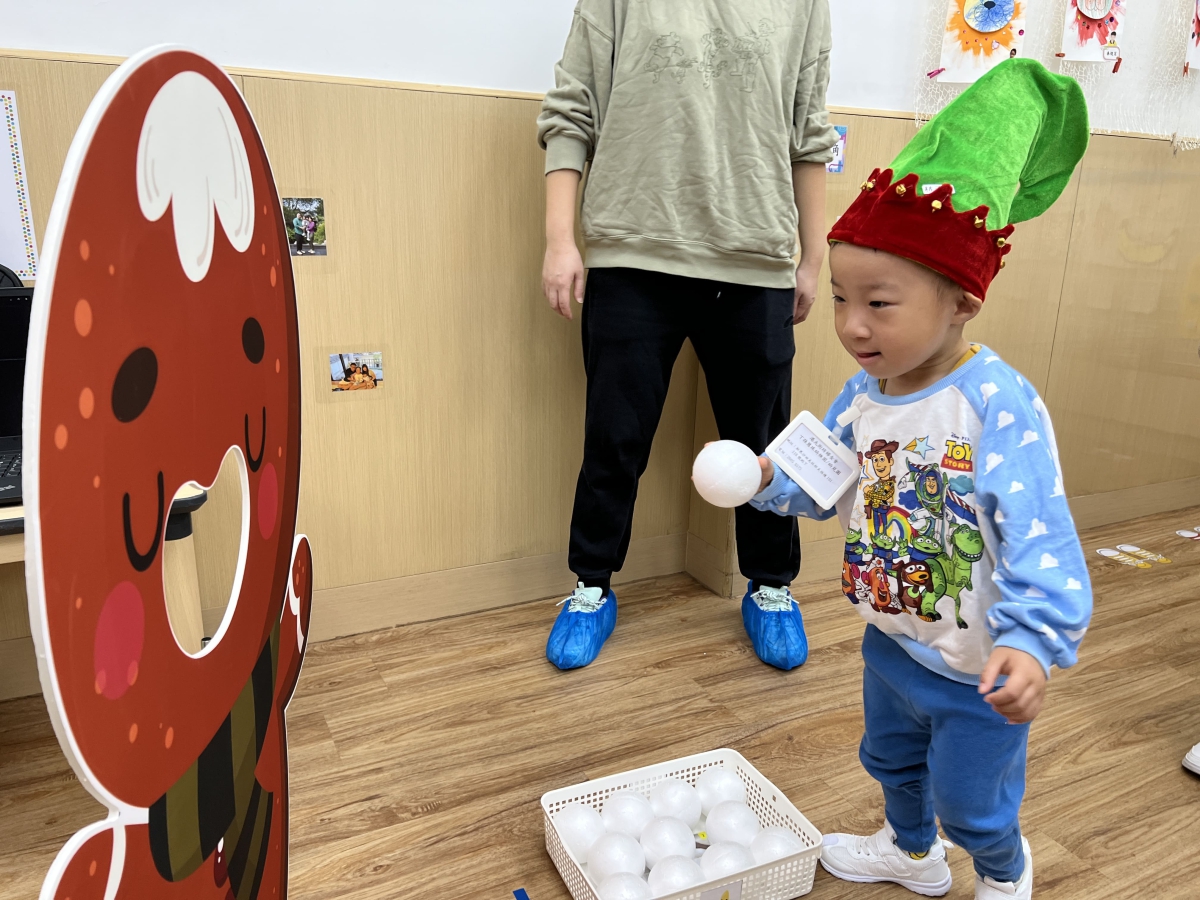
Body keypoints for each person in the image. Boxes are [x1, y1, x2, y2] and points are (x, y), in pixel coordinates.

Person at [747, 61, 1093, 899]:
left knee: (973, 804)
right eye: (841, 298)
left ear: (961, 302)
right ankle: (912, 856)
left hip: (977, 669)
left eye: (880, 303)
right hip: (892, 639)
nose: (851, 325)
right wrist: (762, 475)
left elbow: (1040, 532)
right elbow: (817, 477)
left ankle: (1004, 872)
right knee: (890, 762)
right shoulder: (865, 394)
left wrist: (1030, 641)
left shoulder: (994, 404)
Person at [537, 0, 839, 671]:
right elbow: (572, 109)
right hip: (632, 251)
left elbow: (809, 129)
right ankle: (590, 587)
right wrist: (560, 240)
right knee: (614, 438)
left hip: (756, 257)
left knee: (763, 444)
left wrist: (814, 254)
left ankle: (771, 587)